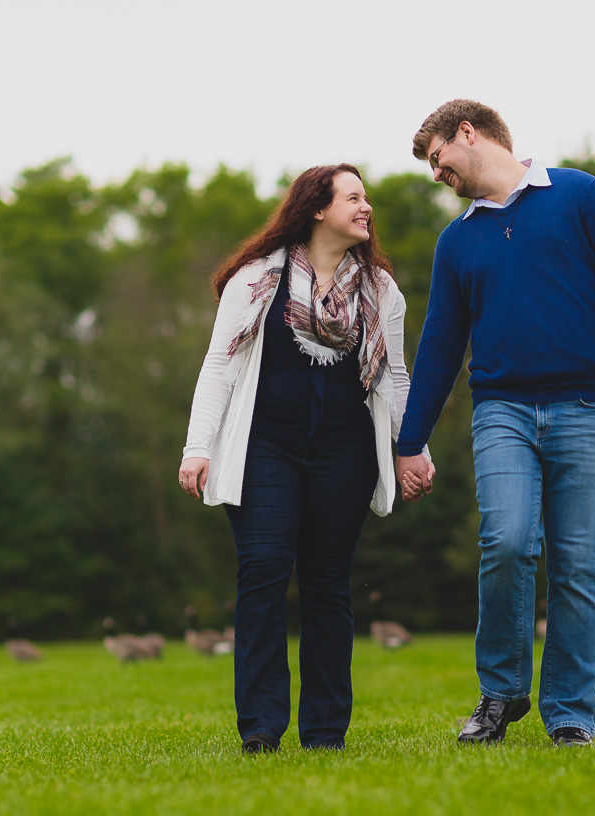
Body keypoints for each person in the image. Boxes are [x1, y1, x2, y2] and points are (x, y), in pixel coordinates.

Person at [396, 100, 595, 748]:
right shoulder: (456, 241)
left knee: (577, 563)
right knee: (507, 540)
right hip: (502, 411)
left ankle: (571, 714)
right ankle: (499, 695)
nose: (439, 175)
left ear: (467, 134)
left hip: (585, 409)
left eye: (439, 160)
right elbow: (439, 348)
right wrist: (409, 443)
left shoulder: (577, 194)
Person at [179, 164, 423, 753]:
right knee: (262, 574)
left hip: (345, 450)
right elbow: (219, 366)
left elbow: (394, 375)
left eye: (367, 199)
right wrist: (197, 447)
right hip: (265, 446)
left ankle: (324, 732)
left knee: (327, 586)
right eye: (354, 198)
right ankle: (261, 727)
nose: (366, 208)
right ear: (317, 208)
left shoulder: (382, 291)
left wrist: (413, 449)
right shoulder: (257, 278)